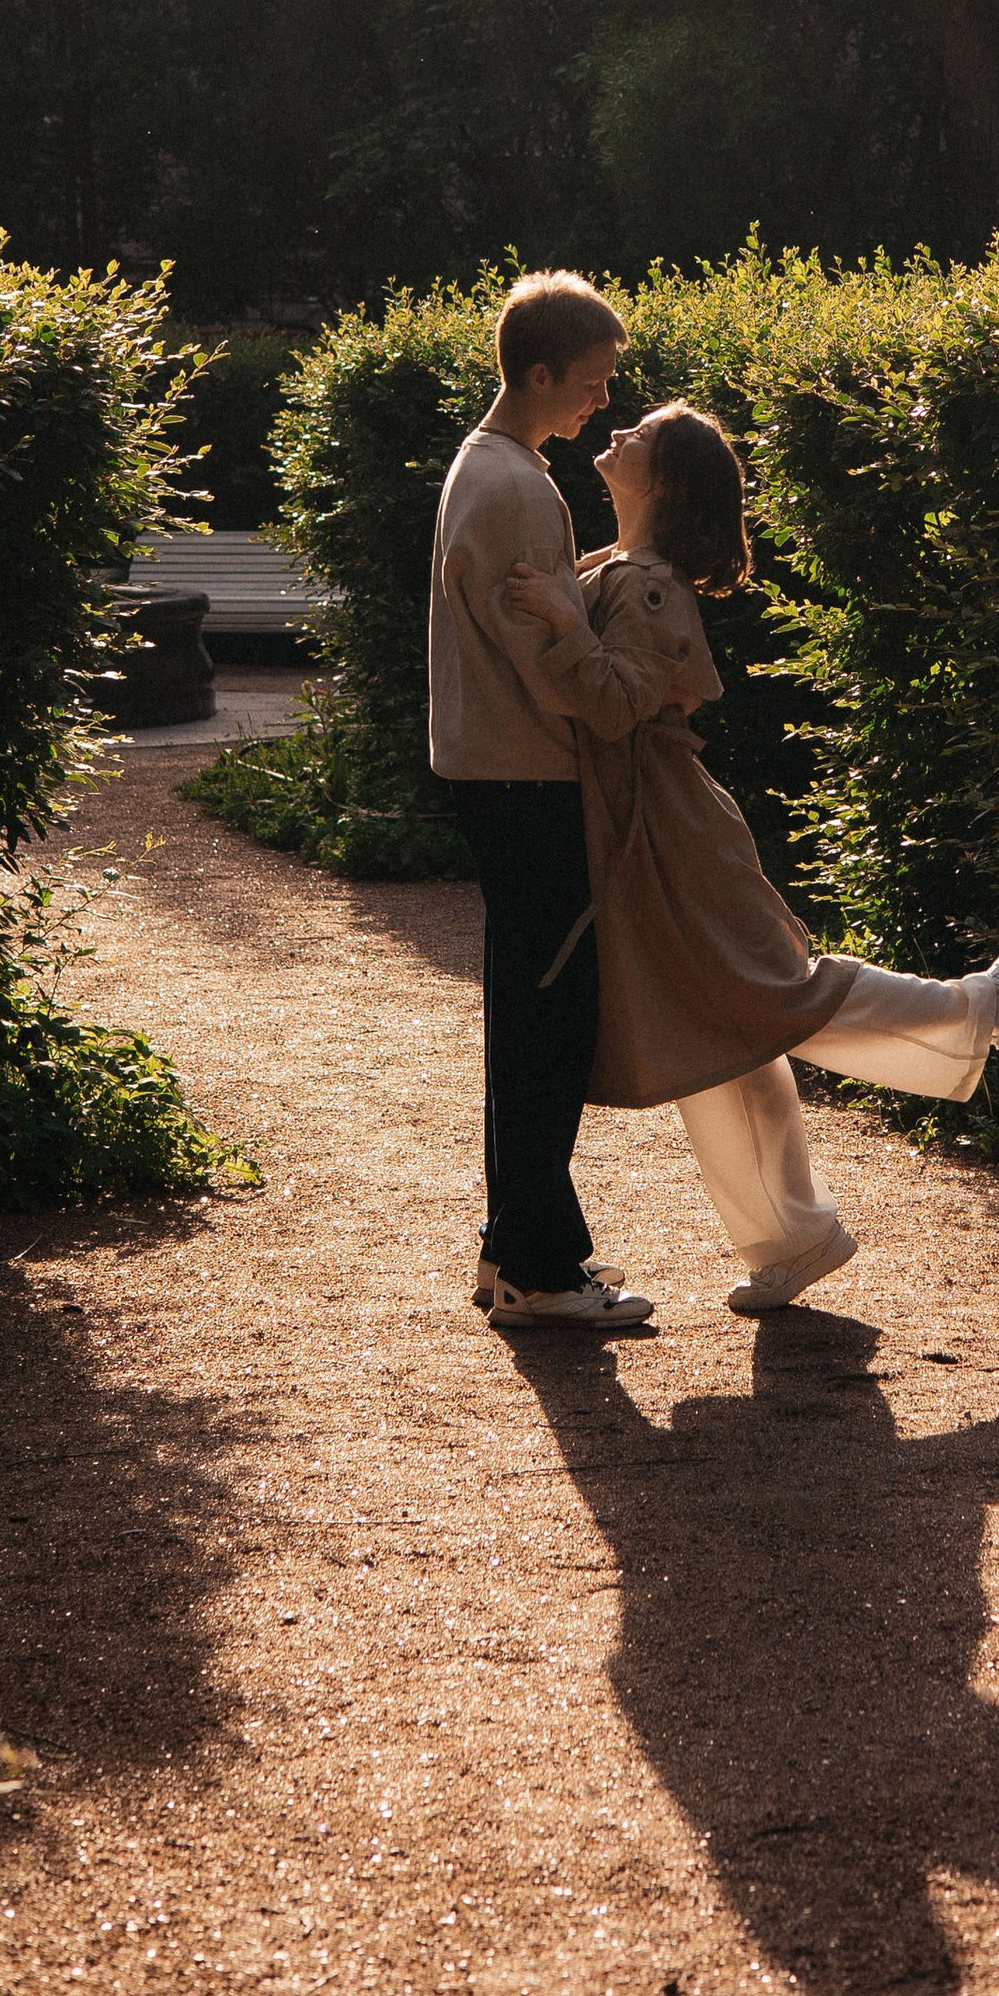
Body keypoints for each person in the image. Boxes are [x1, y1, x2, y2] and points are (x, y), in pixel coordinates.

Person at [504, 399, 999, 1312]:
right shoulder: (620, 566)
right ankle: (794, 1234)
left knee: (773, 996)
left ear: (664, 480)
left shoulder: (647, 583)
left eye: (636, 439)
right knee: (714, 1029)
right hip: (648, 833)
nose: (612, 438)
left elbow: (614, 705)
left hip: (675, 832)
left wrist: (559, 622)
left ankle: (986, 1004)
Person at [428, 271, 657, 1332]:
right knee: (545, 1027)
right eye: (592, 381)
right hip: (531, 778)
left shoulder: (485, 469)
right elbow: (547, 665)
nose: (601, 403)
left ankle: (518, 1256)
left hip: (494, 773)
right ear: (538, 373)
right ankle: (538, 1268)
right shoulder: (519, 486)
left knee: (528, 1017)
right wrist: (611, 709)